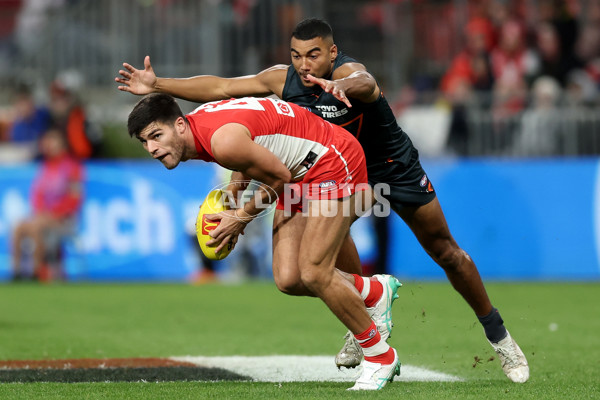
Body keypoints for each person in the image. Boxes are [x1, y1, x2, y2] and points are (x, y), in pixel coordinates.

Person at [115, 18, 529, 383]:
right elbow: (222, 87)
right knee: (307, 266)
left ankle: (498, 335)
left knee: (445, 252)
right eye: (296, 56)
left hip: (388, 165)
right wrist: (159, 84)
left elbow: (365, 82)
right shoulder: (284, 79)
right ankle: (367, 312)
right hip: (321, 168)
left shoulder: (348, 73)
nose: (304, 65)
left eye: (314, 56)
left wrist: (341, 84)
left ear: (332, 53)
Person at [127, 93, 402, 391]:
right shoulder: (204, 129)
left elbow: (277, 176)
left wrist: (241, 216)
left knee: (313, 271)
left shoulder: (220, 140)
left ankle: (380, 356)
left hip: (328, 159)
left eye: (157, 136)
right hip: (296, 169)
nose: (152, 148)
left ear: (179, 124)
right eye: (145, 142)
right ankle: (372, 291)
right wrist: (232, 202)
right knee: (288, 278)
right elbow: (249, 156)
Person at [11, 127, 84, 281]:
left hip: (63, 219)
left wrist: (54, 213)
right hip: (43, 217)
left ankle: (36, 271)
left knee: (36, 227)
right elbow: (37, 194)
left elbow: (74, 198)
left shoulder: (73, 167)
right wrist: (41, 212)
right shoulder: (45, 166)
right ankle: (17, 272)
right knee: (17, 227)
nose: (48, 144)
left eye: (52, 140)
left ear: (62, 143)